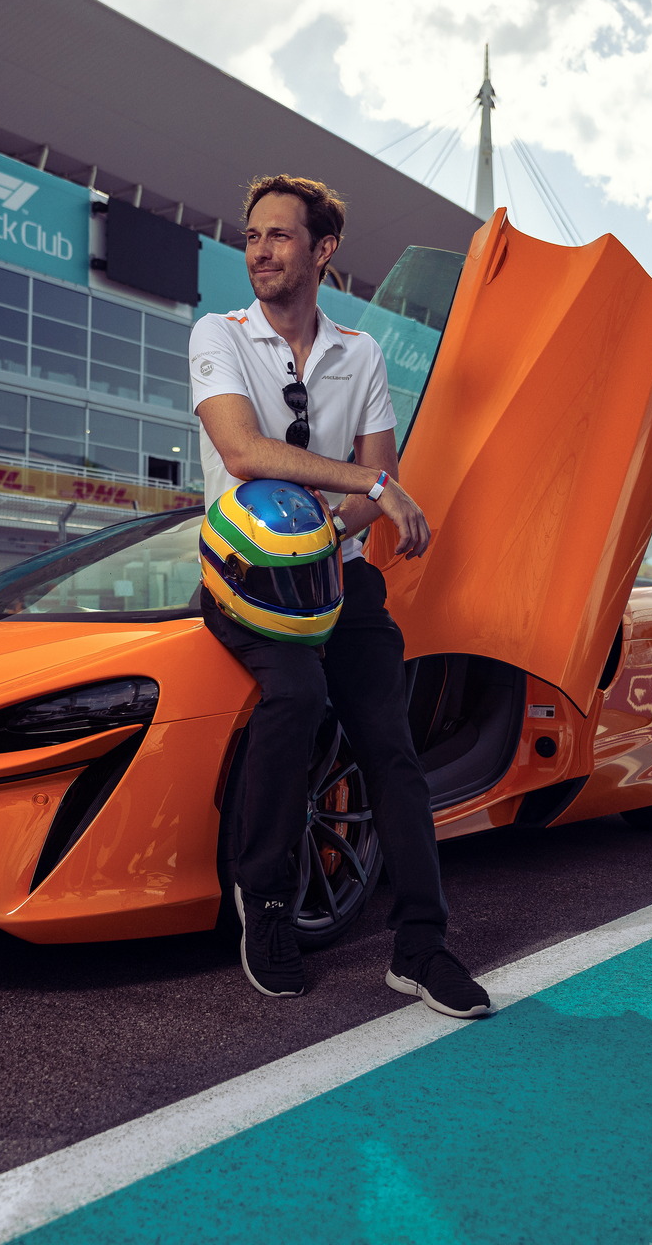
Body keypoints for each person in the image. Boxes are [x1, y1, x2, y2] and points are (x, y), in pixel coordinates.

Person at [189, 173, 489, 1018]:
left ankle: (421, 945)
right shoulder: (219, 334)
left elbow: (375, 488)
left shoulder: (359, 353)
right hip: (245, 573)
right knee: (295, 695)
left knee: (391, 743)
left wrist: (341, 513)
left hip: (337, 571)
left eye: (279, 236)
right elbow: (244, 452)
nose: (260, 251)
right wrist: (367, 486)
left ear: (322, 250)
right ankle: (265, 901)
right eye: (253, 236)